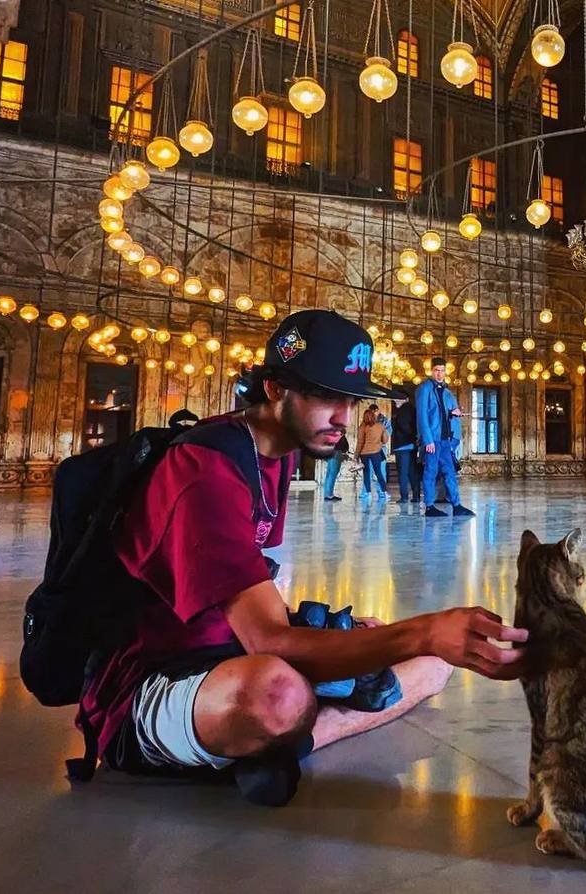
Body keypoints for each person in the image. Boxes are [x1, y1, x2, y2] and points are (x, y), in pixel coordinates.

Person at [76, 309, 526, 806]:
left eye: (351, 401)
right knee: (279, 696)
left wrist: (374, 641)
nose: (343, 418)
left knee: (434, 666)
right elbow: (268, 638)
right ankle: (284, 737)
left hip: (228, 651)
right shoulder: (206, 470)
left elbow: (250, 601)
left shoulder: (277, 452)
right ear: (275, 388)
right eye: (327, 397)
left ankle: (284, 744)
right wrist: (421, 631)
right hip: (150, 683)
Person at [416, 358, 473, 517]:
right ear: (431, 371)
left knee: (450, 472)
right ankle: (429, 507)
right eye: (436, 370)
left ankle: (456, 505)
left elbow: (442, 413)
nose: (439, 374)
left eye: (442, 371)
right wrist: (428, 440)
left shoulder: (447, 392)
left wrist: (453, 413)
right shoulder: (424, 389)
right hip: (433, 440)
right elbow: (422, 416)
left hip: (445, 439)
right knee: (430, 472)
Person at [390, 384, 421, 504]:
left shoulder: (403, 411)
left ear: (404, 399)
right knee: (413, 471)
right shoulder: (413, 409)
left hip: (403, 445)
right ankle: (416, 496)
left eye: (396, 398)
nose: (394, 401)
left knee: (403, 472)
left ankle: (404, 497)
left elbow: (404, 427)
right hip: (411, 445)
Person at [355, 405, 390, 497]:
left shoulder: (362, 427)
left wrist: (356, 456)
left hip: (364, 453)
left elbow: (360, 442)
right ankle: (384, 492)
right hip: (376, 452)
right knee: (379, 472)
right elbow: (385, 440)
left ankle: (367, 492)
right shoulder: (380, 426)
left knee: (366, 472)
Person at [323, 433, 349, 501]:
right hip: (336, 452)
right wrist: (344, 451)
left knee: (329, 473)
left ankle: (327, 494)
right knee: (333, 473)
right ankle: (329, 495)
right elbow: (342, 443)